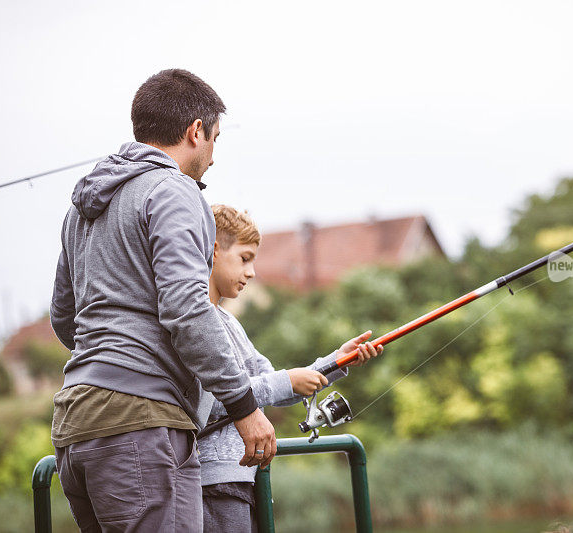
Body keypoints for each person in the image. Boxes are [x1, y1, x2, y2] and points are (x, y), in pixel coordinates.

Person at [49, 69, 276, 532]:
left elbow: (64, 316)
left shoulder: (83, 206)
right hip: (142, 426)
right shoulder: (175, 191)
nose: (212, 157)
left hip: (75, 423)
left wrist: (112, 360)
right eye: (215, 139)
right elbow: (187, 310)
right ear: (197, 132)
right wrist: (244, 408)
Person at [198, 205, 382, 532]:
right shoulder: (193, 323)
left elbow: (272, 385)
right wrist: (287, 381)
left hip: (243, 478)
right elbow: (210, 402)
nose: (252, 271)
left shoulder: (230, 324)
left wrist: (337, 361)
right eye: (245, 258)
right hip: (212, 482)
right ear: (213, 251)